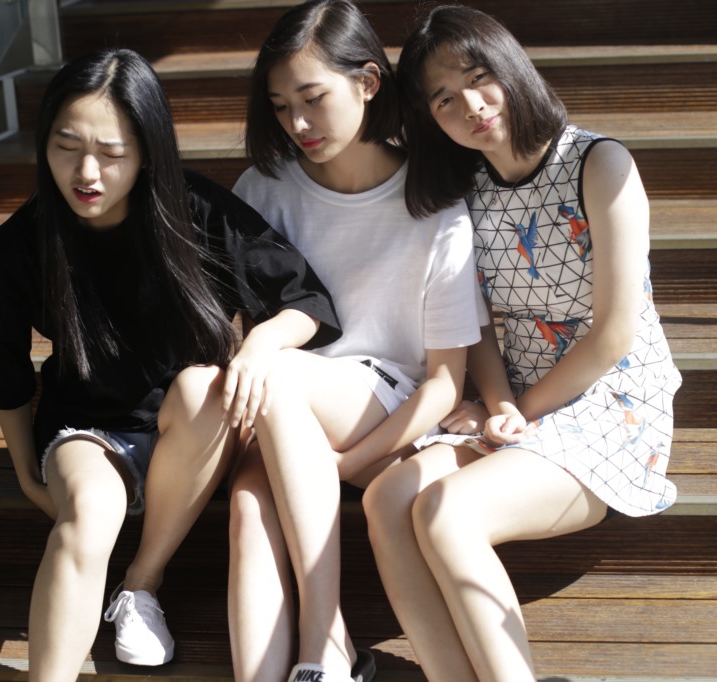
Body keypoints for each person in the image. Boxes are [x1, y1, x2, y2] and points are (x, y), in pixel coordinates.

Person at [0, 48, 340, 682]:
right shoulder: (18, 244)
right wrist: (26, 472)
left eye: (111, 153)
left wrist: (258, 346)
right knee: (89, 514)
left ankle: (141, 583)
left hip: (194, 430)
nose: (87, 172)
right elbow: (3, 371)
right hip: (87, 428)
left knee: (206, 387)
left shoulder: (194, 211)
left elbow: (306, 302)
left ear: (146, 152)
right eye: (66, 147)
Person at [362, 5, 683, 681]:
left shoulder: (599, 163)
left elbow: (614, 333)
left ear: (511, 68)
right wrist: (499, 400)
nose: (471, 106)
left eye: (479, 78)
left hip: (611, 402)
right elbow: (475, 323)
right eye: (444, 99)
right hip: (518, 400)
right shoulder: (465, 190)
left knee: (447, 510)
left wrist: (513, 410)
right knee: (387, 500)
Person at [224, 1, 486, 680]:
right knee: (249, 507)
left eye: (313, 99)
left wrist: (344, 465)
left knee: (279, 371)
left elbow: (445, 384)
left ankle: (326, 640)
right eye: (281, 107)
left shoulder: (433, 204)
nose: (298, 124)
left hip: (388, 410)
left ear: (368, 82)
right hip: (283, 410)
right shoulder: (264, 190)